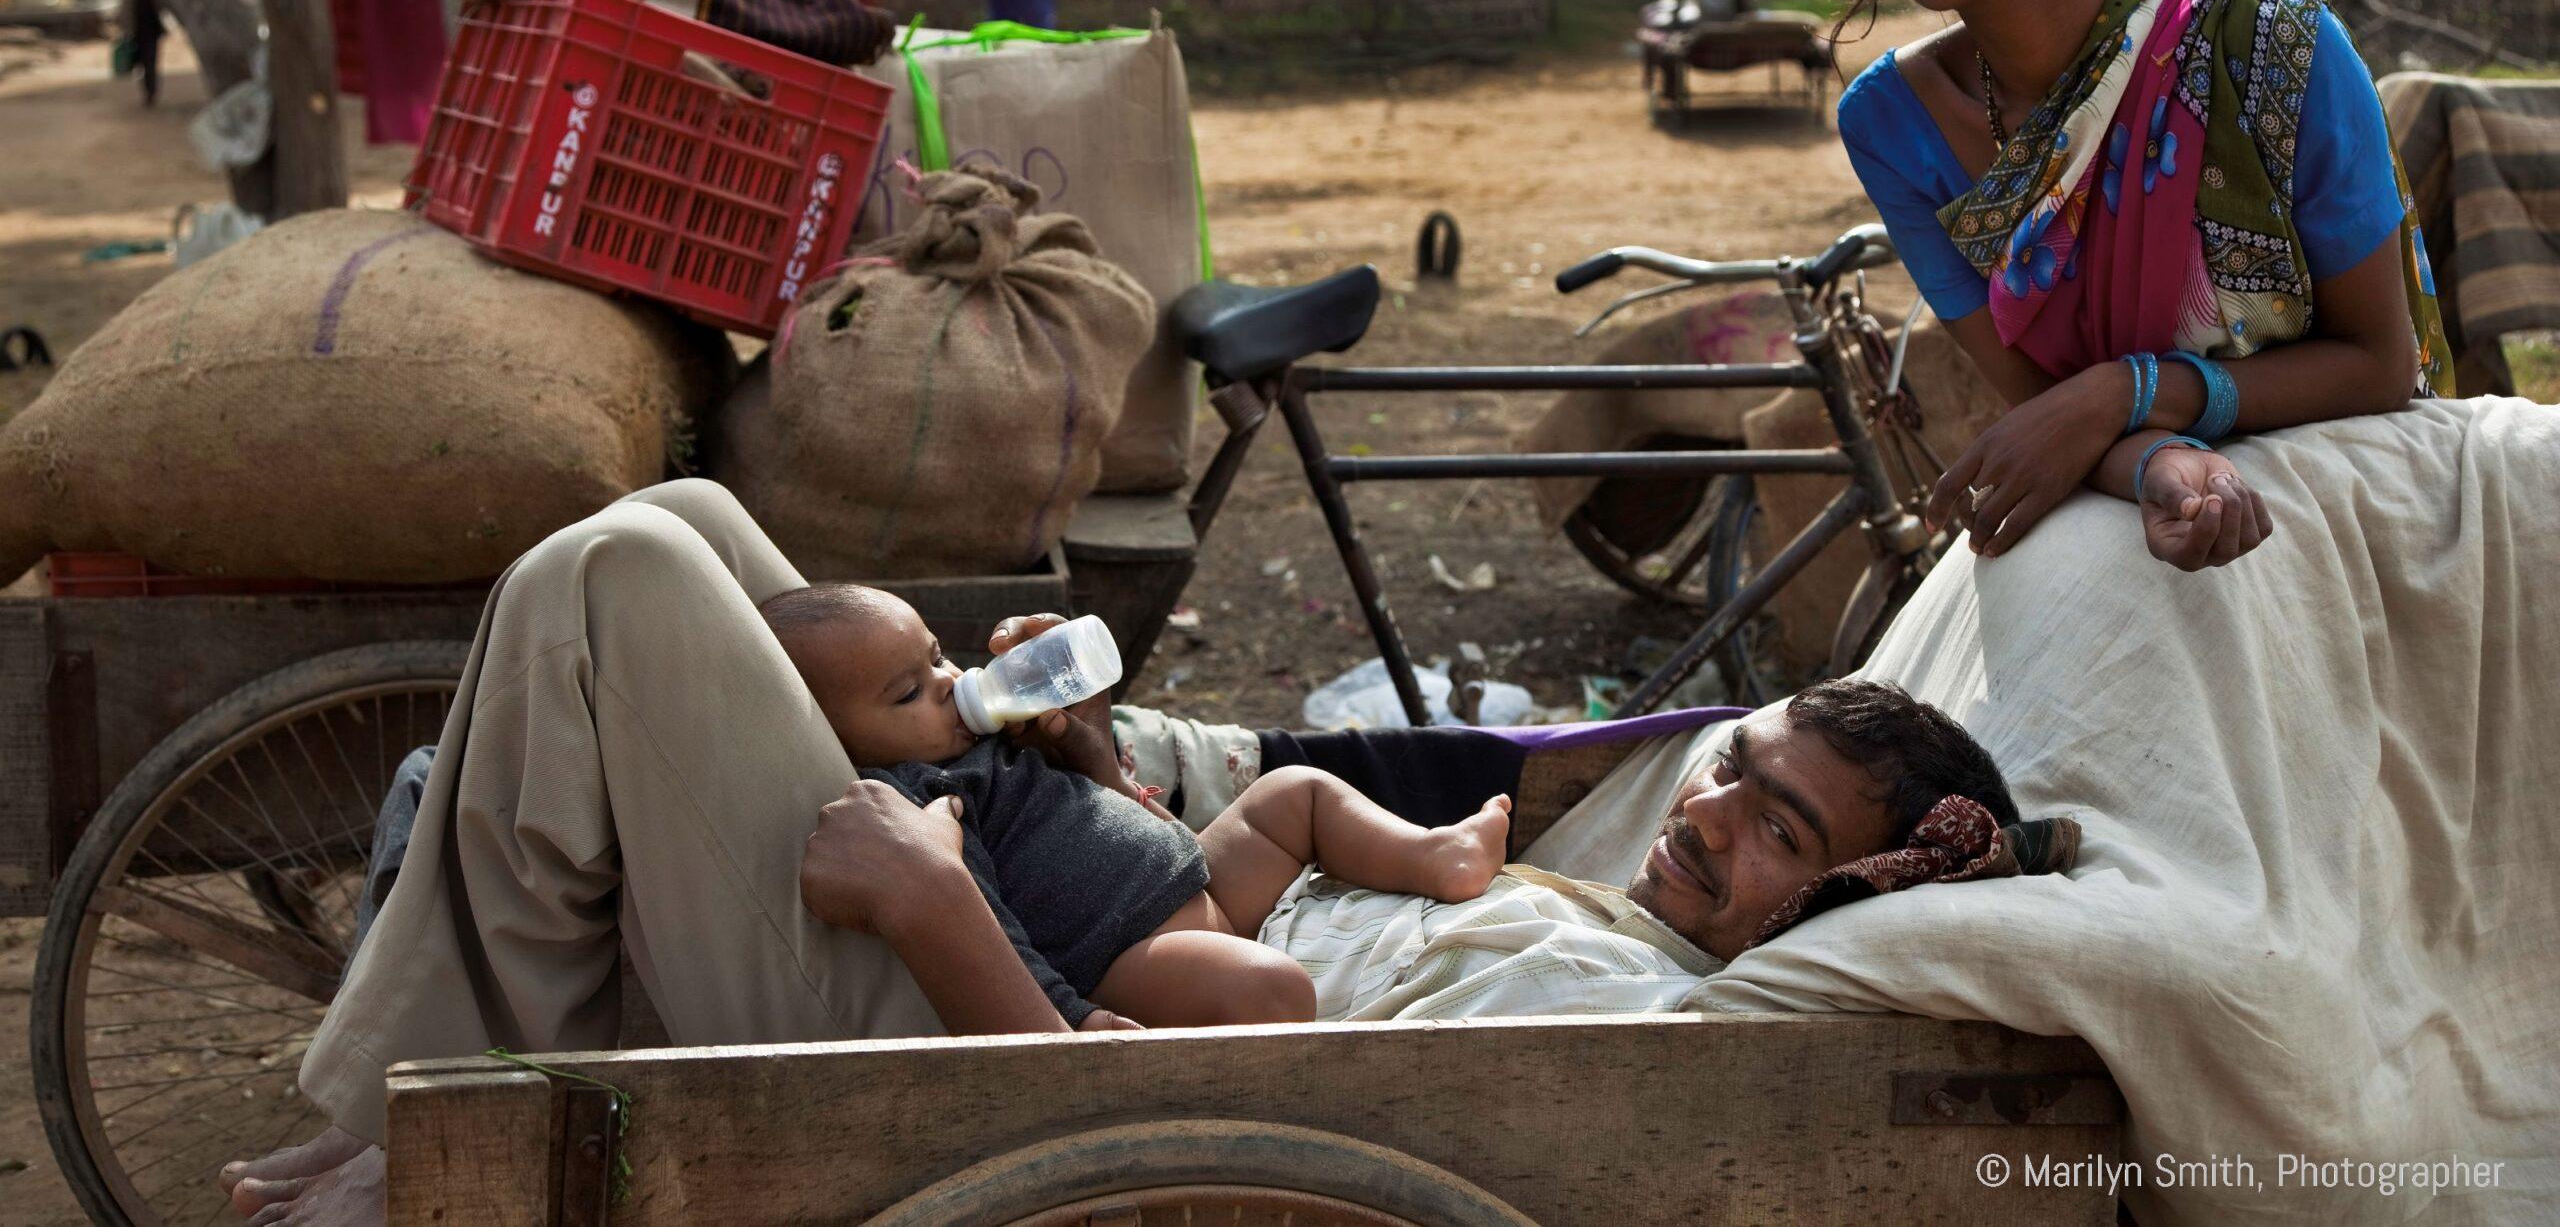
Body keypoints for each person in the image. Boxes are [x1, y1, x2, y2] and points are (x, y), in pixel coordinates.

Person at [216, 482, 2061, 1225]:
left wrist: (951, 900)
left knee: (615, 577)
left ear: (1846, 898)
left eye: (1776, 838)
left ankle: (420, 1130)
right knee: (693, 520)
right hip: (1011, 944)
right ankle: (421, 1104)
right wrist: (1119, 811)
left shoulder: (1595, 1011)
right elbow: (1263, 873)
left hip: (971, 1062)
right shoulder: (1582, 909)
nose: (1713, 819)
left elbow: (1185, 1141)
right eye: (1734, 771)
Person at [1821, 0, 2450, 574]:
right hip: (2151, 498)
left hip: (2341, 493)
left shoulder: (2265, 43)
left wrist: (2136, 391)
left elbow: (2379, 363)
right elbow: (2046, 412)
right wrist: (2158, 460)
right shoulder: (1892, 123)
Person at [762, 582, 1514, 1030]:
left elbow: (1094, 806)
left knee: (1293, 791)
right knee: (1270, 989)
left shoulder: (986, 742)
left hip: (1196, 885)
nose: (951, 684)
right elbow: (987, 926)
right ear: (839, 743)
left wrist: (1102, 766)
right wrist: (1072, 1015)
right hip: (1125, 957)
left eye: (936, 657)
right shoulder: (929, 801)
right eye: (907, 694)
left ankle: (1435, 854)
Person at [122, 0, 165, 107]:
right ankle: (147, 91)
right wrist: (126, 30)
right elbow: (126, 10)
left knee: (151, 64)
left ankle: (151, 94)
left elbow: (163, 5)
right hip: (137, 33)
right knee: (141, 66)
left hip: (152, 33)